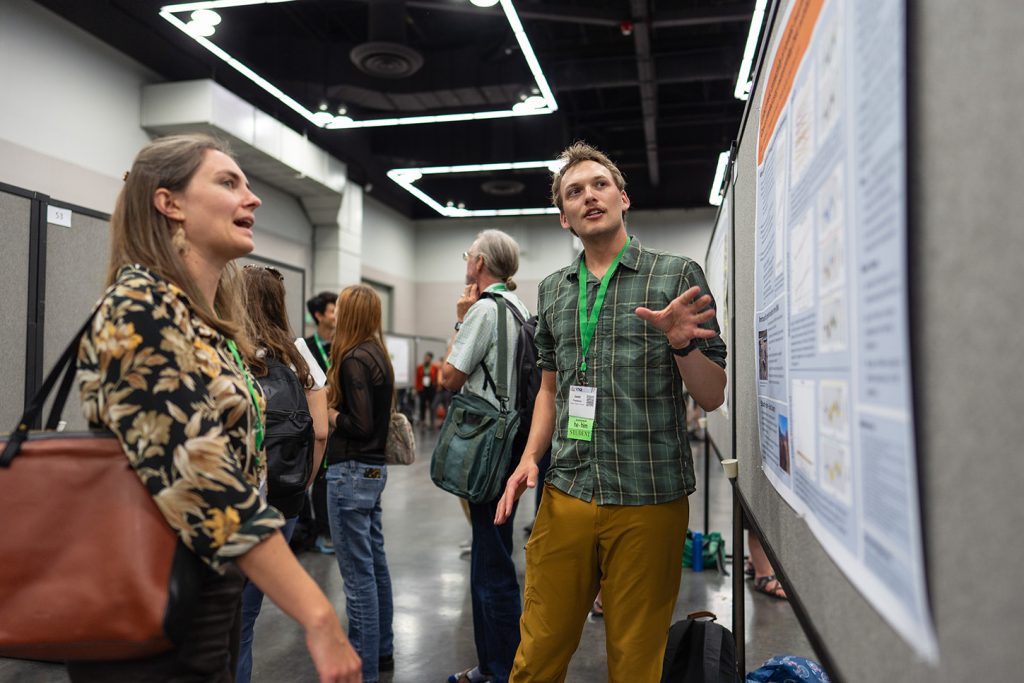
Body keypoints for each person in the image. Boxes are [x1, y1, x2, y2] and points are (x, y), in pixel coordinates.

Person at [71, 134, 360, 682]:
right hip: (154, 600)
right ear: (170, 203)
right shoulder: (140, 309)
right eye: (229, 183)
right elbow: (204, 483)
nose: (252, 198)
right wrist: (318, 615)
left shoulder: (197, 321)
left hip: (206, 587)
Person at [495, 142, 727, 683]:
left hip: (649, 495)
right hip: (568, 490)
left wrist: (682, 345)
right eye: (573, 192)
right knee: (536, 654)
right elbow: (550, 388)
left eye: (599, 184)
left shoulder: (674, 276)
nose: (588, 196)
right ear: (563, 218)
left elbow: (713, 394)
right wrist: (531, 457)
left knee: (636, 660)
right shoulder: (554, 290)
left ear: (623, 197)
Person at [441, 229, 530, 683]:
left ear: (478, 264)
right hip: (513, 443)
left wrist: (460, 320)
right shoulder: (520, 307)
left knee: (490, 565)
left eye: (467, 254)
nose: (466, 262)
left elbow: (449, 377)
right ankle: (497, 665)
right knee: (493, 552)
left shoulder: (482, 310)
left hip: (486, 448)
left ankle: (499, 669)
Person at [236, 264, 331, 683]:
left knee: (217, 621)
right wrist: (303, 483)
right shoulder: (297, 351)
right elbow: (322, 429)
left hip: (233, 502)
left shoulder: (226, 346)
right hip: (284, 500)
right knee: (246, 618)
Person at [325, 284, 396, 683]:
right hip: (371, 473)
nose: (332, 314)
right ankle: (381, 652)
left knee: (357, 578)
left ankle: (363, 671)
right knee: (375, 566)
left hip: (351, 472)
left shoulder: (353, 359)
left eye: (339, 308)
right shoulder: (377, 355)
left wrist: (332, 415)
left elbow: (360, 424)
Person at [414, 351, 439, 427]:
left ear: (431, 359)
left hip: (431, 388)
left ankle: (432, 421)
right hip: (422, 388)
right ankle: (422, 420)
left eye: (428, 358)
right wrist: (416, 388)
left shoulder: (434, 367)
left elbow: (437, 377)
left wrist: (437, 386)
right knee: (422, 405)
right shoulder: (420, 367)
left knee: (432, 405)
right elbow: (417, 378)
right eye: (425, 357)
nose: (426, 359)